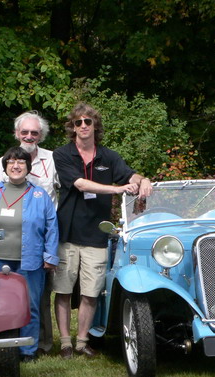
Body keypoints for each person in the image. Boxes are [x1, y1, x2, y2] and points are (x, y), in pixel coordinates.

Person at [52, 103, 152, 359]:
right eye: (78, 123)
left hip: (98, 234)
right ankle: (64, 343)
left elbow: (130, 175)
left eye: (88, 122)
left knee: (91, 291)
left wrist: (143, 180)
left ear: (95, 126)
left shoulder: (109, 156)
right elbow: (80, 184)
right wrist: (117, 190)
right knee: (63, 290)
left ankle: (82, 341)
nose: (83, 126)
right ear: (72, 128)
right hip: (67, 232)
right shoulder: (62, 154)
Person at [0, 111, 60, 356]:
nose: (16, 166)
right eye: (11, 163)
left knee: (30, 305)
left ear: (27, 167)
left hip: (30, 260)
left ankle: (28, 350)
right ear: (5, 167)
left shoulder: (39, 195)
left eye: (21, 163)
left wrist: (50, 256)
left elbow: (52, 227)